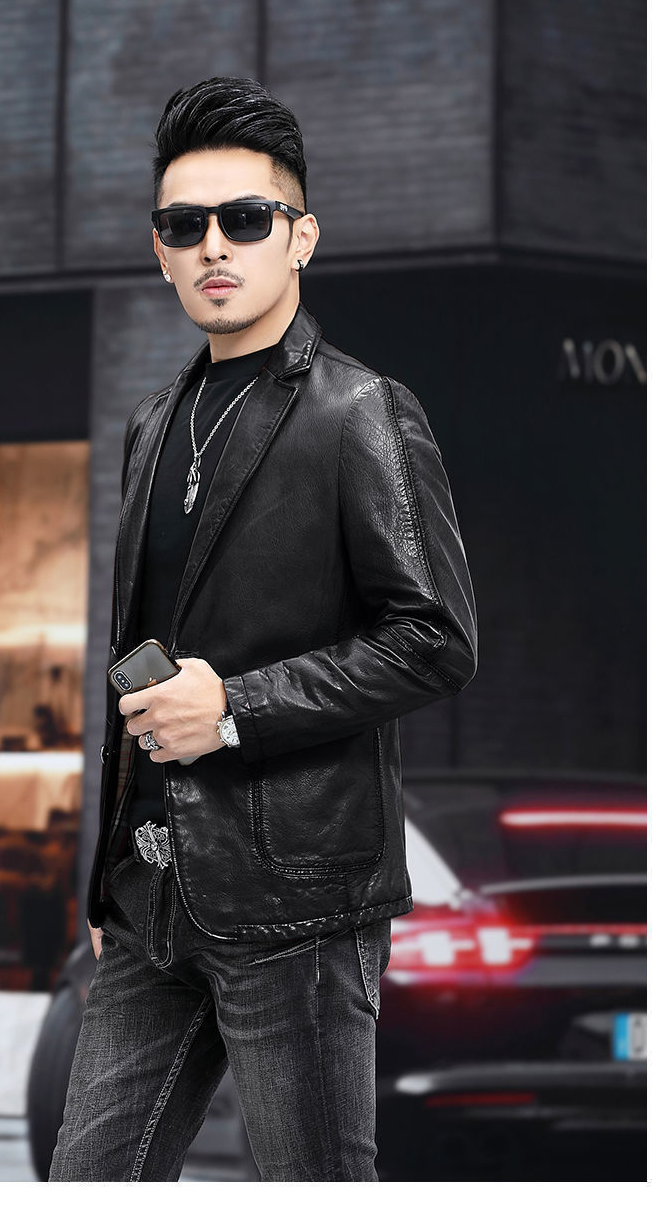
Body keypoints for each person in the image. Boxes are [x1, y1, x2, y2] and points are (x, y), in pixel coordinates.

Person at [49, 75, 478, 1183]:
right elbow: (133, 661)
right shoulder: (153, 422)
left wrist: (235, 707)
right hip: (150, 898)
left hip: (300, 902)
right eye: (183, 225)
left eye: (245, 218)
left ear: (301, 238)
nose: (213, 245)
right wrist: (108, 877)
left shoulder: (359, 412)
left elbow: (434, 636)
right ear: (158, 250)